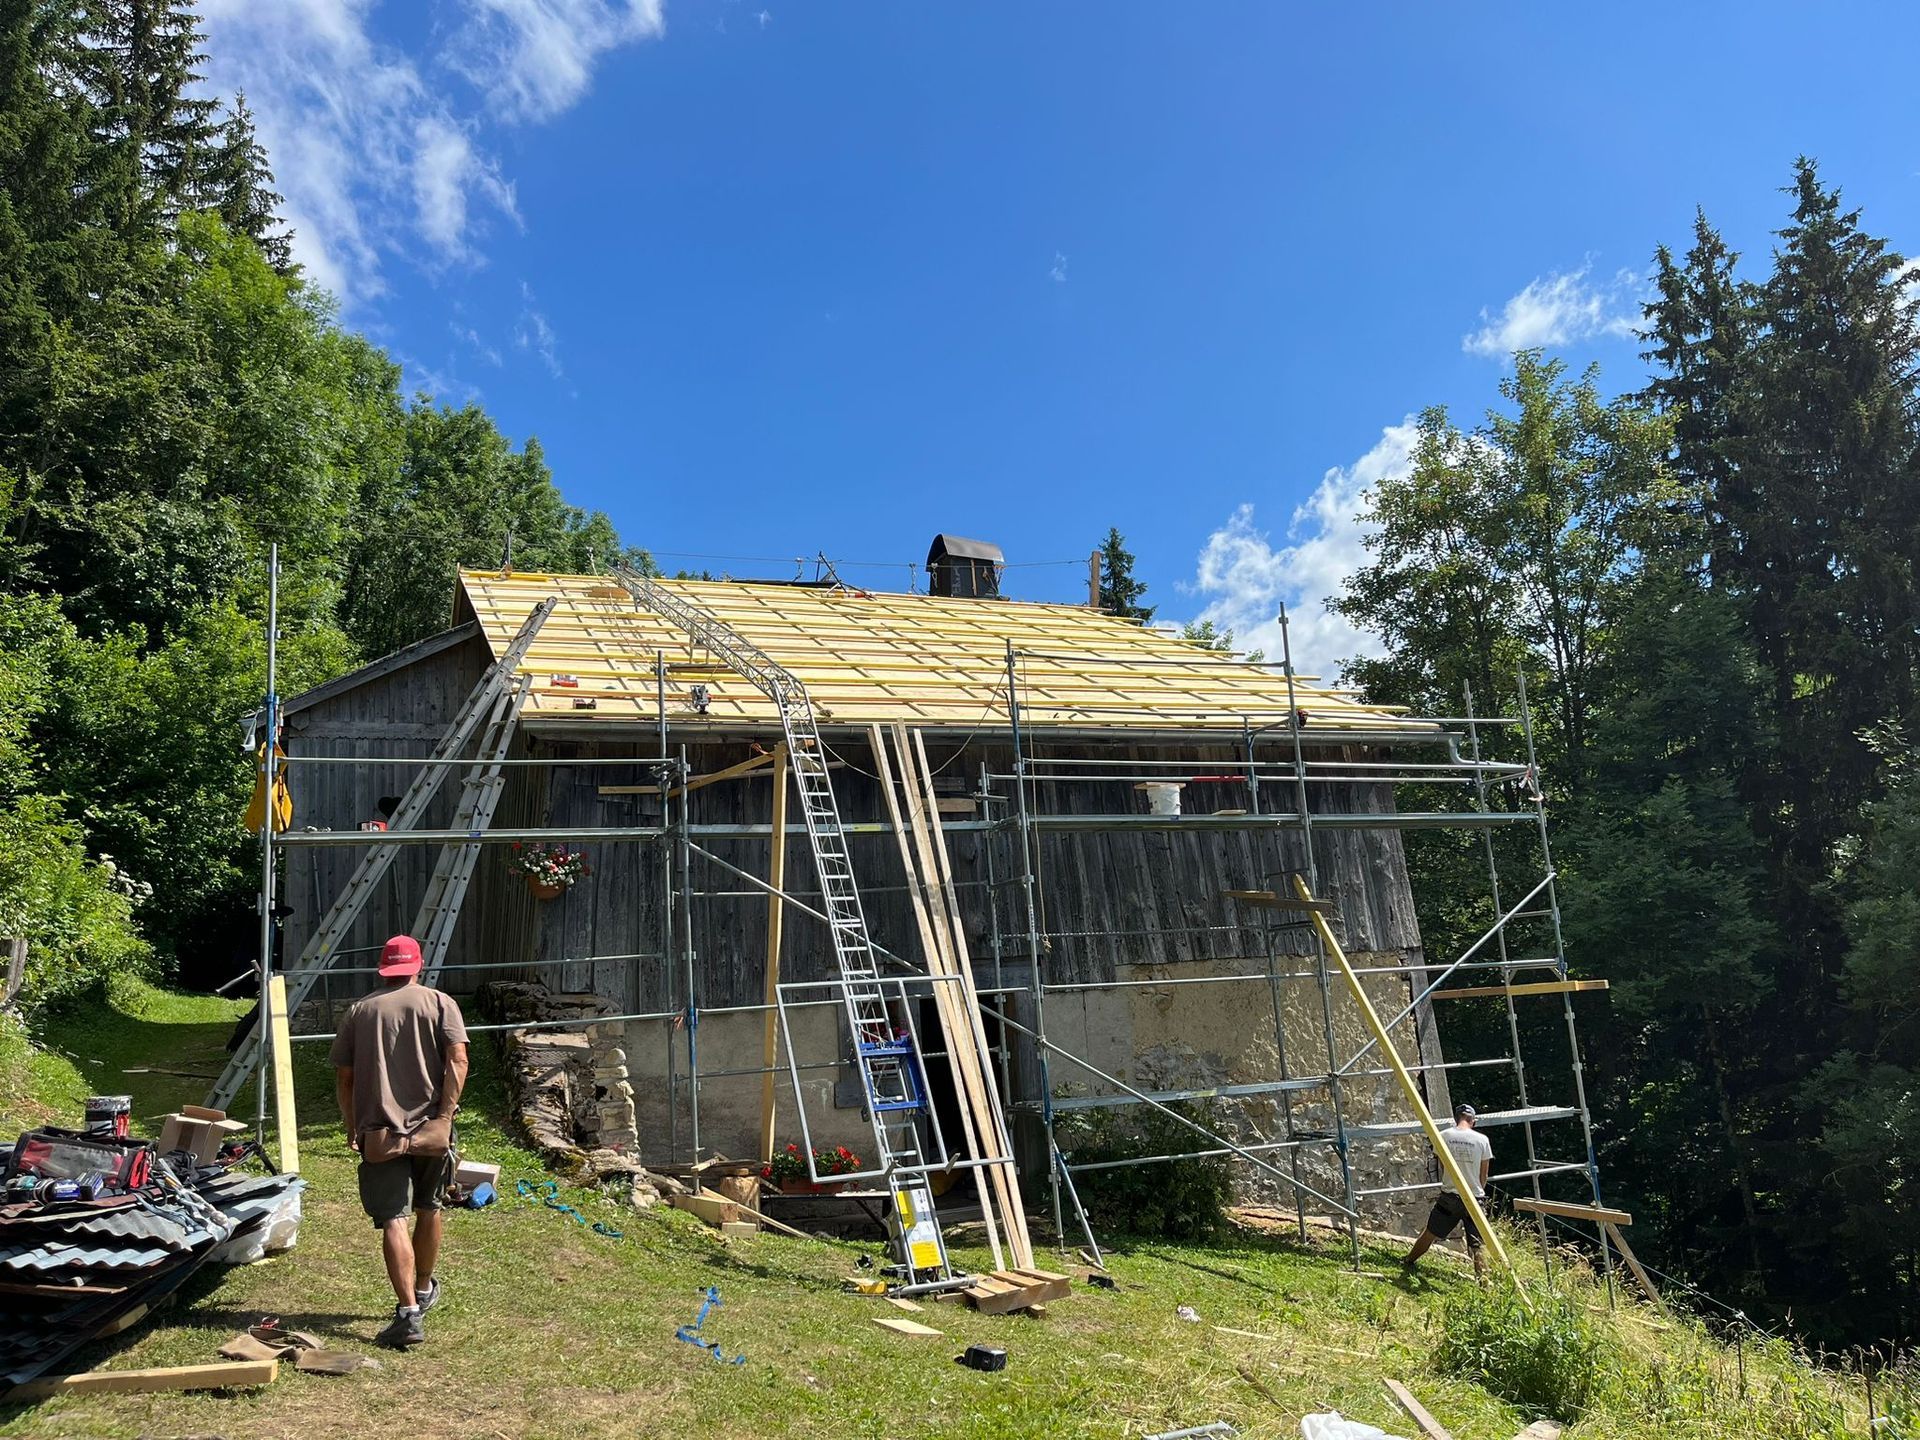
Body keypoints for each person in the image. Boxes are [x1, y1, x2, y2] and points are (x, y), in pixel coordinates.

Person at [330, 935, 470, 1349]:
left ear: (382, 967)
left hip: (380, 1133)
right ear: (418, 965)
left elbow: (345, 1077)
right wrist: (444, 1115)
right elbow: (459, 1059)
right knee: (430, 1207)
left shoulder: (360, 1010)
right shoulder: (441, 1003)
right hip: (432, 1130)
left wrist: (351, 1125)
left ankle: (408, 1312)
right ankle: (424, 1288)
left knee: (394, 1217)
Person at [1402, 1103, 1493, 1279]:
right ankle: (1483, 1283)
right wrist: (1478, 1190)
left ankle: (1409, 1261)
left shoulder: (1443, 1136)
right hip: (1475, 1198)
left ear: (1456, 1119)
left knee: (1430, 1233)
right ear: (1472, 1120)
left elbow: (1442, 1165)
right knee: (1477, 1243)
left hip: (1450, 1196)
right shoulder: (1482, 1140)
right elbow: (1484, 1173)